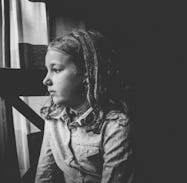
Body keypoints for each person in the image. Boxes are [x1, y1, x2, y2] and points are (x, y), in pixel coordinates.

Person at [35, 29, 134, 183]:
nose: (45, 80)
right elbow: (45, 174)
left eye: (56, 70)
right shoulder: (53, 116)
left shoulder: (116, 125)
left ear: (87, 74)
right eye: (47, 71)